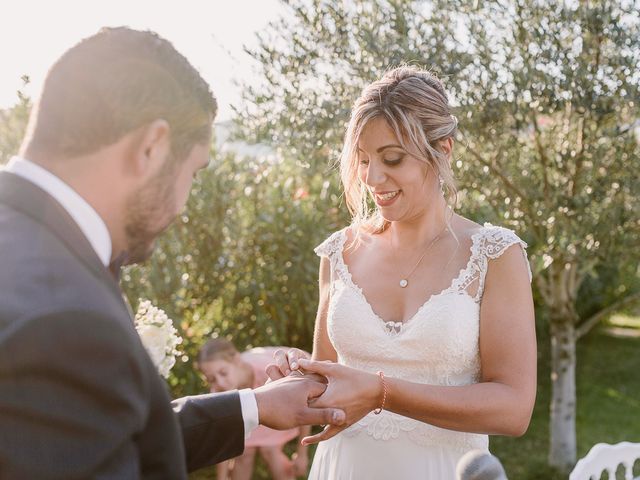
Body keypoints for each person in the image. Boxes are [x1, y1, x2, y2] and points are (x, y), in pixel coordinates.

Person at [0, 27, 344, 479]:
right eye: (193, 174)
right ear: (151, 146)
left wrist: (253, 406)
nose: (182, 207)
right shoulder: (67, 317)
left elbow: (94, 438)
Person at [268, 66, 537, 479]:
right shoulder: (339, 251)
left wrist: (382, 393)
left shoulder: (495, 254)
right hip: (344, 468)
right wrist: (299, 374)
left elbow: (513, 410)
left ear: (443, 150)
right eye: (362, 160)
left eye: (392, 158)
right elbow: (329, 380)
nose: (373, 179)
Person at [198, 339, 310, 479]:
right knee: (243, 454)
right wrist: (222, 478)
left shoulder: (269, 369)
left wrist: (302, 453)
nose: (219, 382)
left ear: (236, 359)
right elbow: (224, 436)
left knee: (270, 450)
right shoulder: (218, 391)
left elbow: (304, 401)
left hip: (282, 401)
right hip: (252, 413)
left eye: (223, 373)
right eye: (211, 379)